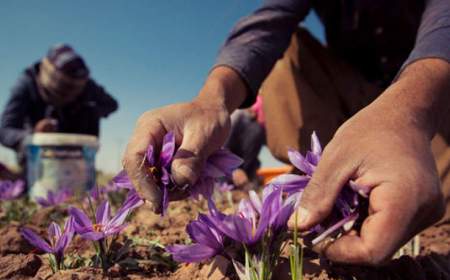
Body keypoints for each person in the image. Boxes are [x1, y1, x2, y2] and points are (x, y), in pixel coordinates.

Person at [122, 0, 449, 265]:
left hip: (433, 97)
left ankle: (375, 175)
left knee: (429, 202)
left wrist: (410, 111)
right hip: (352, 95)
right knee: (283, 50)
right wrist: (211, 101)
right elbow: (269, 22)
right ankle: (325, 180)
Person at [0, 44, 118, 169]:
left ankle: (82, 168)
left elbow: (112, 104)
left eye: (73, 92)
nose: (68, 97)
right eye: (62, 91)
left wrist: (85, 109)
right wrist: (32, 135)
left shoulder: (86, 85)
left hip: (76, 150)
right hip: (38, 152)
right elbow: (5, 131)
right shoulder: (27, 83)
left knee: (89, 110)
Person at [225, 96, 265, 188]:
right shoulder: (239, 115)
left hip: (245, 172)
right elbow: (222, 146)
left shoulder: (261, 127)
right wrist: (234, 169)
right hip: (227, 169)